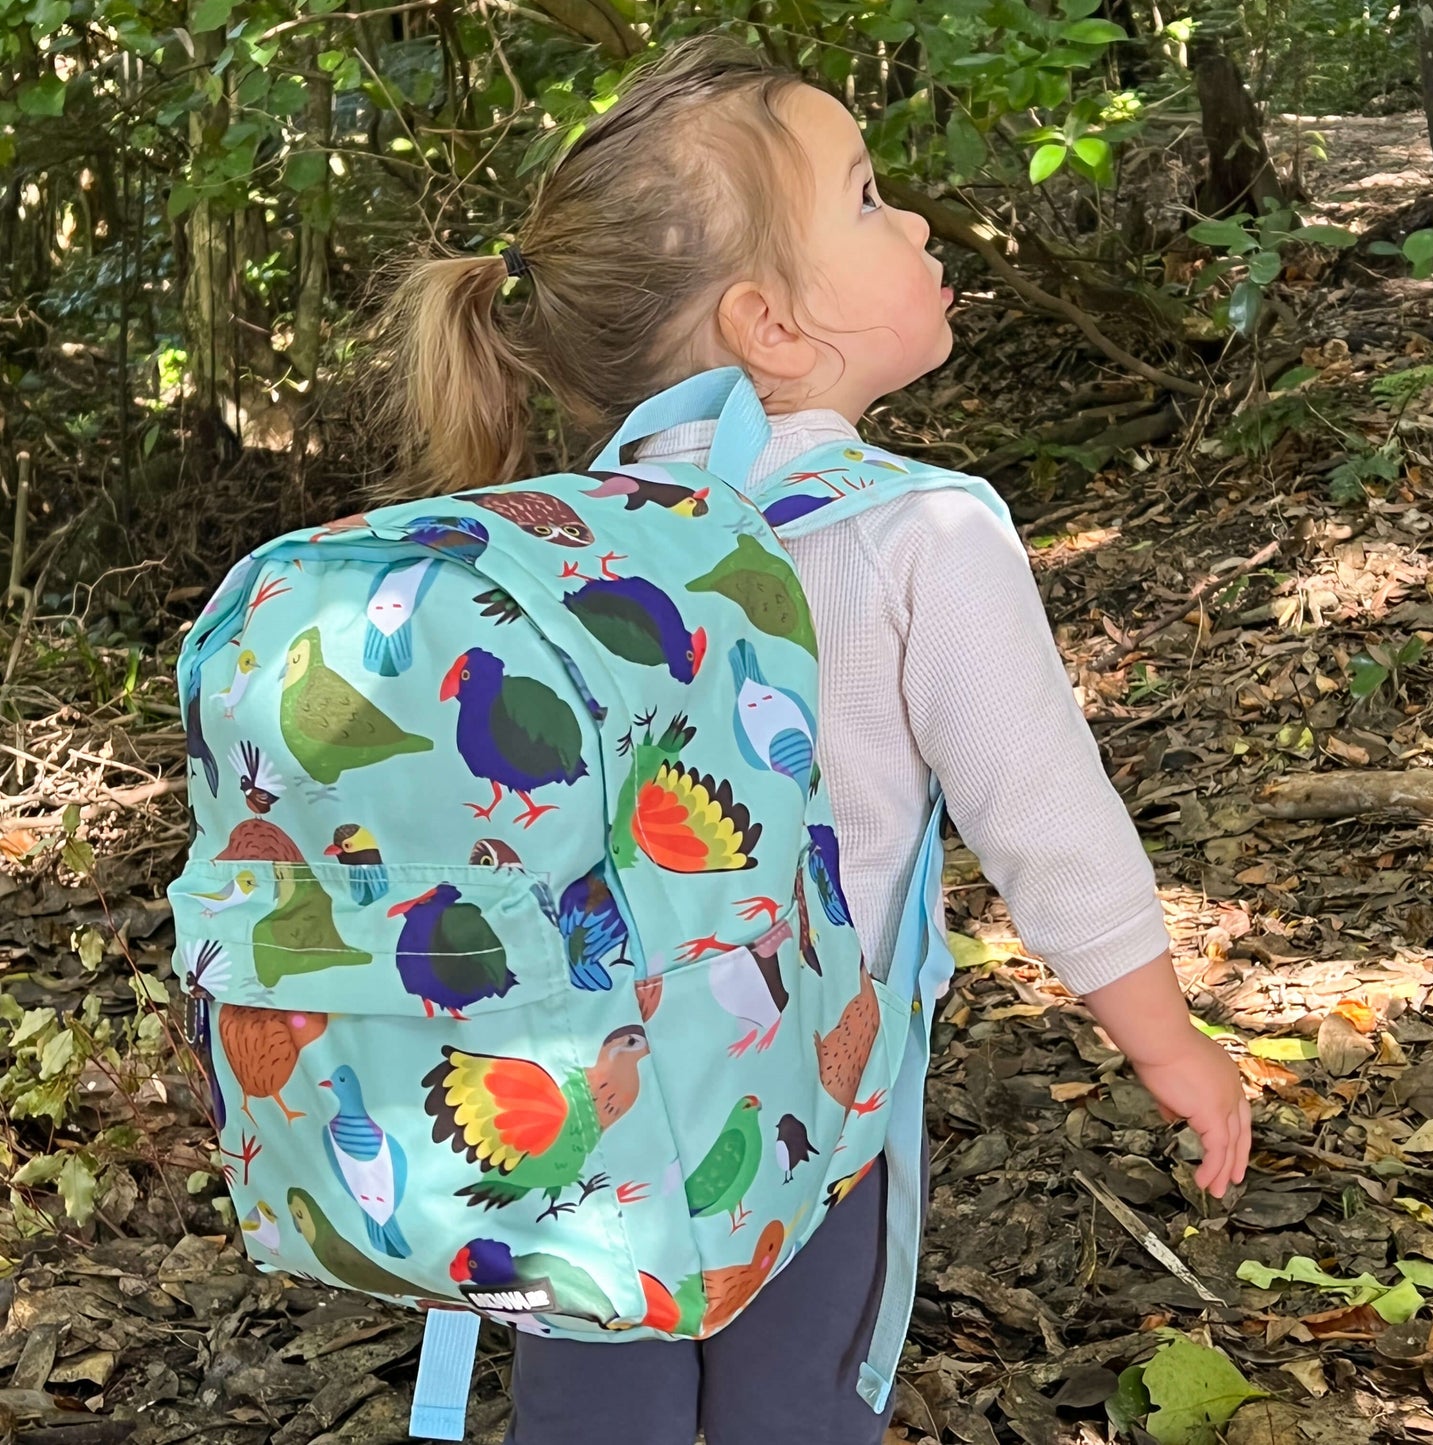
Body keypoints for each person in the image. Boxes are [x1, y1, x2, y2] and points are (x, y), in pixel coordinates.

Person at [372, 38, 1252, 1445]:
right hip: (809, 1100)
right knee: (796, 1404)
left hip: (571, 1086)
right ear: (770, 325)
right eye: (866, 196)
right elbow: (1045, 820)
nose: (917, 222)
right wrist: (1166, 1041)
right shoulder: (922, 531)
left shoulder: (551, 548)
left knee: (595, 1413)